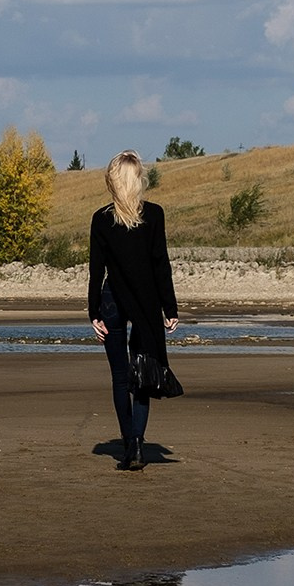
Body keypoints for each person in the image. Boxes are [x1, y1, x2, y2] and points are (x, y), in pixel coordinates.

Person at [88, 150, 178, 472]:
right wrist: (169, 307)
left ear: (113, 180)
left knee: (120, 377)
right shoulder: (155, 214)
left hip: (112, 299)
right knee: (141, 377)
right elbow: (160, 265)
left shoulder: (101, 218)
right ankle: (138, 443)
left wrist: (93, 313)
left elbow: (96, 271)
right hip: (146, 301)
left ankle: (129, 445)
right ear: (138, 179)